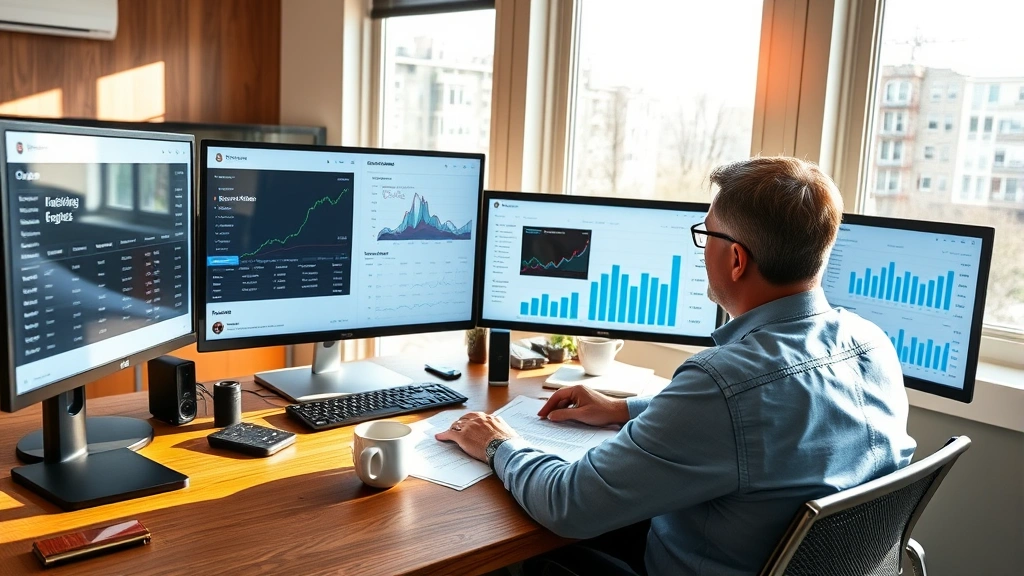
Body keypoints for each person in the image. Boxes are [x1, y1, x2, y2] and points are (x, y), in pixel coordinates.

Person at [436, 157, 917, 576]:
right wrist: (622, 409)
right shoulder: (872, 343)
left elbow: (568, 504)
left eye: (705, 234)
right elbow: (748, 426)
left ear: (735, 259)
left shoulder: (723, 381)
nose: (700, 246)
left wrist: (498, 444)